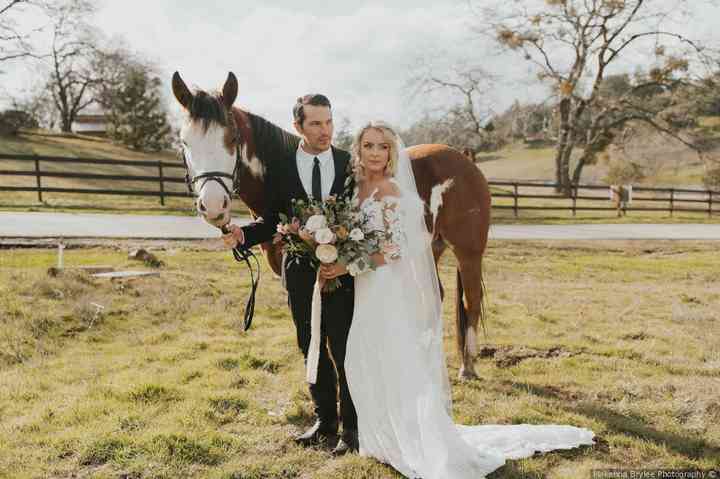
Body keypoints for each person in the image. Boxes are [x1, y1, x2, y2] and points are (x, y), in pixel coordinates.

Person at [320, 121, 595, 478]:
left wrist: (345, 265)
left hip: (384, 284)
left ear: (391, 152)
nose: (374, 153)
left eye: (382, 147)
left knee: (390, 354)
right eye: (368, 145)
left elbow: (396, 249)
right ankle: (380, 433)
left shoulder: (390, 190)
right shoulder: (357, 187)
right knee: (365, 353)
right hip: (364, 284)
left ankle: (411, 435)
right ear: (358, 149)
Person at [222, 94, 358, 456]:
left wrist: (344, 259)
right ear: (298, 126)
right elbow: (271, 218)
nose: (325, 130)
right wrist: (244, 235)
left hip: (341, 272)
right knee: (309, 342)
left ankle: (352, 428)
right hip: (298, 270)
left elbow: (360, 221)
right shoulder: (281, 165)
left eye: (329, 121)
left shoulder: (348, 163)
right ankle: (325, 420)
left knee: (345, 347)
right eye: (315, 123)